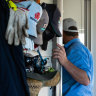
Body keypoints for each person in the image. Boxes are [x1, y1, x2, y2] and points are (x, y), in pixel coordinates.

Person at [52, 18, 93, 96]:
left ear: (62, 32)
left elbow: (85, 80)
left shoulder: (76, 49)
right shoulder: (80, 48)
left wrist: (65, 62)